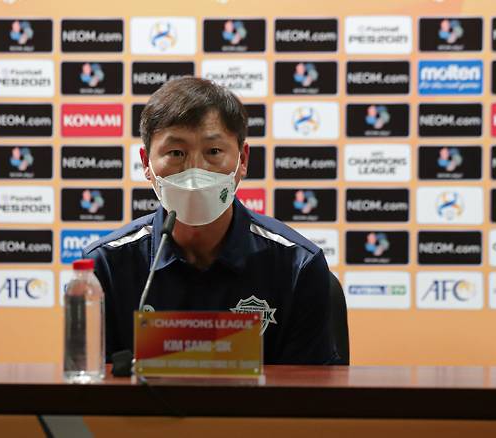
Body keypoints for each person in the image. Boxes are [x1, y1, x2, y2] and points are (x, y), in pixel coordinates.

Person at [83, 77, 341, 365]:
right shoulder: (106, 265)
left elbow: (310, 397)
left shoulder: (297, 265)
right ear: (146, 163)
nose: (195, 170)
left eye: (214, 152)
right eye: (176, 153)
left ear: (242, 159)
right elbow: (93, 392)